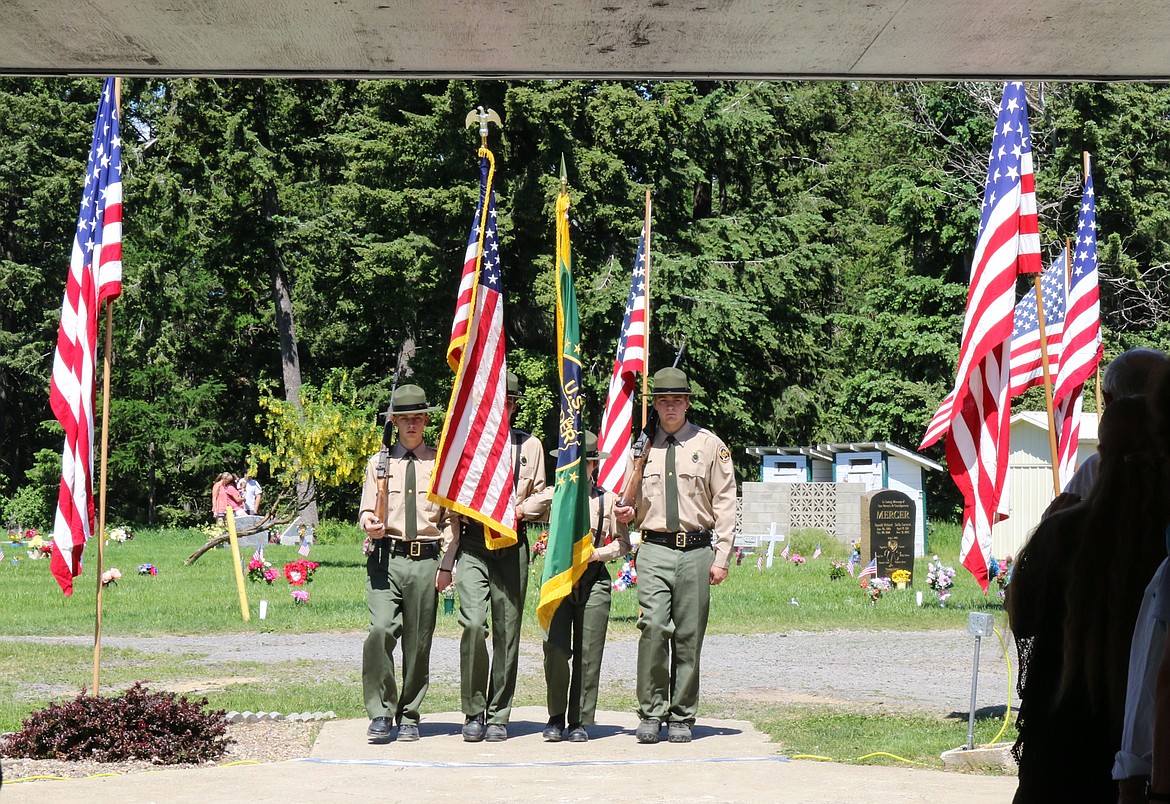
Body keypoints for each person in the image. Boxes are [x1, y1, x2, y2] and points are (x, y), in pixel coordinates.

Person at [1007, 395, 1168, 802]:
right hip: (1143, 757)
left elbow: (1021, 617)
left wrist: (1046, 525)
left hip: (1060, 750)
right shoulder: (1161, 543)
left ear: (1100, 452)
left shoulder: (1062, 533)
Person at [614, 366, 736, 744]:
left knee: (688, 636)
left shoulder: (708, 445)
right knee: (652, 629)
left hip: (696, 551)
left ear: (687, 403)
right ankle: (651, 712)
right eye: (663, 401)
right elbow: (625, 499)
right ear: (656, 406)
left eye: (677, 400)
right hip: (653, 550)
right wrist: (623, 513)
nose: (671, 407)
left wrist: (722, 556)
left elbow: (726, 501)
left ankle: (682, 715)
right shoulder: (640, 448)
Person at [449, 371, 547, 743]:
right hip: (473, 544)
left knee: (507, 632)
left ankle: (499, 713)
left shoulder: (530, 447)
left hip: (511, 545)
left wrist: (523, 509)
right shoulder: (467, 446)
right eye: (494, 402)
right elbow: (448, 500)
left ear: (514, 404)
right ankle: (474, 710)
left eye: (507, 402)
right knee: (474, 625)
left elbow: (545, 494)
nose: (501, 407)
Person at [358, 384, 456, 743]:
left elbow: (448, 521)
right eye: (405, 419)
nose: (411, 425)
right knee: (381, 630)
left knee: (418, 642)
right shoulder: (379, 464)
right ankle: (381, 712)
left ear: (426, 420)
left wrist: (447, 565)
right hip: (386, 559)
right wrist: (372, 524)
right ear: (394, 422)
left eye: (417, 417)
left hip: (427, 560)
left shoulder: (439, 464)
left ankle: (410, 713)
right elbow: (367, 512)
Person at [521, 430, 631, 743]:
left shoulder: (607, 501)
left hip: (593, 579)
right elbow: (522, 510)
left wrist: (601, 553)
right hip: (559, 582)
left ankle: (579, 719)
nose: (581, 468)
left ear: (594, 465)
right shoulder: (556, 496)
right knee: (555, 649)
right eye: (574, 463)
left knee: (588, 652)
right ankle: (555, 716)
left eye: (586, 463)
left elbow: (623, 544)